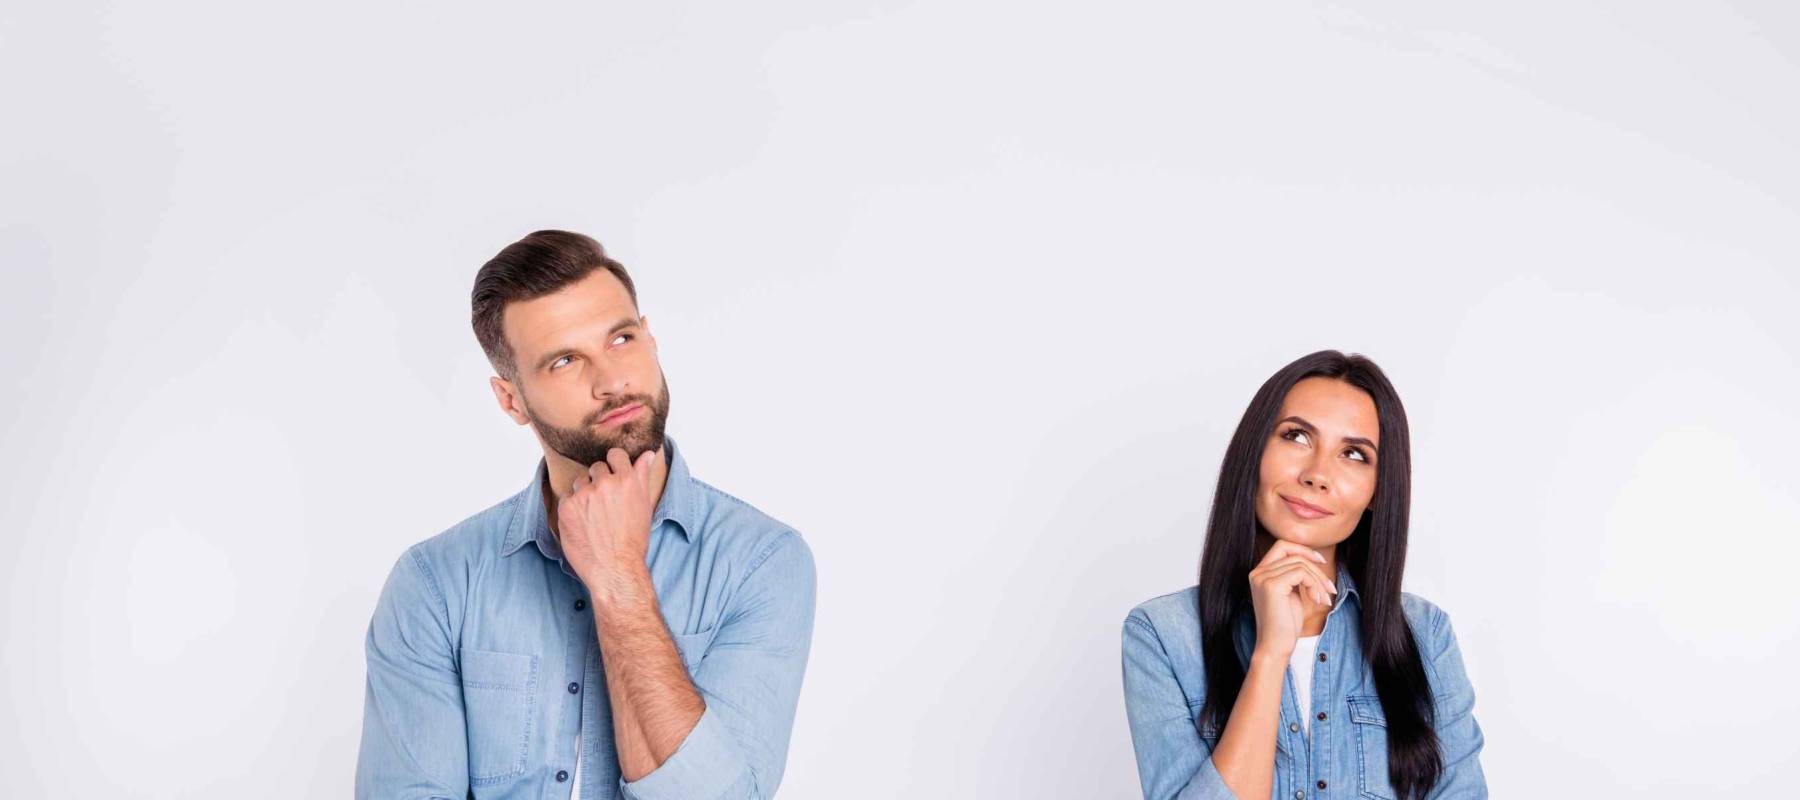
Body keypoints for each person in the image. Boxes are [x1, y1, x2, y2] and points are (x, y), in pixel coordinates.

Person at [356, 230, 816, 799]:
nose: (611, 381)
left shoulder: (761, 561)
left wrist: (620, 577)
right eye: (566, 360)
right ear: (512, 400)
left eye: (621, 339)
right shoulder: (436, 581)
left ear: (651, 339)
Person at [1121, 351, 1485, 799]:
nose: (1317, 475)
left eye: (1353, 454)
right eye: (1296, 436)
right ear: (1254, 452)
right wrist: (1270, 654)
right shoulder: (1163, 635)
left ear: (1377, 490)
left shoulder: (1426, 635)